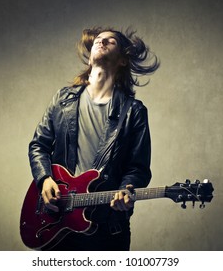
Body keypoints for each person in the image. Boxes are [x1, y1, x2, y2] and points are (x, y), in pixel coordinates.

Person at [28, 26, 159, 250]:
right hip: (58, 220)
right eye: (99, 39)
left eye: (111, 41)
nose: (102, 42)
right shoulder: (63, 99)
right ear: (90, 60)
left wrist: (127, 190)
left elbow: (138, 168)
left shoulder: (133, 111)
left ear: (122, 61)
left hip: (107, 228)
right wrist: (44, 179)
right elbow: (39, 145)